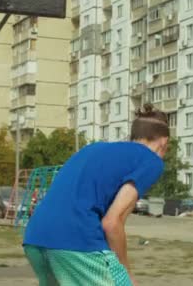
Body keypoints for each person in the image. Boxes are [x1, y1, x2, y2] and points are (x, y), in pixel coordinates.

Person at [23, 104, 169, 285]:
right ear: (163, 142)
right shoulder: (150, 160)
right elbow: (112, 222)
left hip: (36, 237)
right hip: (76, 239)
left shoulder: (93, 149)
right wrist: (125, 272)